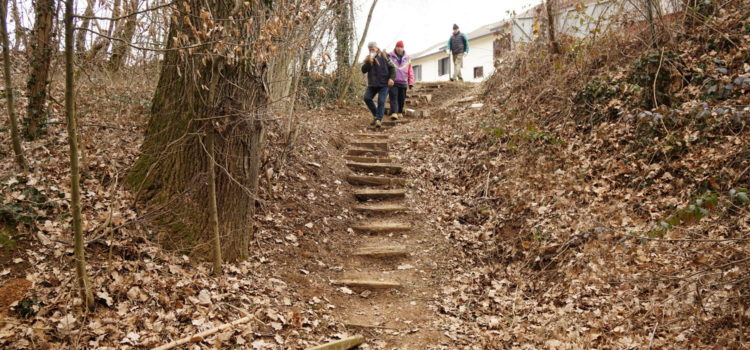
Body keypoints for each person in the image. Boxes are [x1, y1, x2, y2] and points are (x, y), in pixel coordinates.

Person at [361, 41, 396, 128]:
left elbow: (392, 68)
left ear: (376, 48)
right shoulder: (368, 58)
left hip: (384, 84)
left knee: (381, 101)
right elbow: (363, 70)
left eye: (372, 49)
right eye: (369, 49)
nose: (371, 51)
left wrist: (391, 78)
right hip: (372, 84)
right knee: (367, 98)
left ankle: (378, 120)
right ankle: (376, 115)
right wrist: (369, 62)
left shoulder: (384, 56)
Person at [387, 41, 414, 120]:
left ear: (403, 48)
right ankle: (394, 113)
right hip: (393, 81)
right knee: (393, 97)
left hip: (403, 82)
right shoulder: (389, 56)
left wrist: (411, 82)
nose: (399, 49)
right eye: (398, 47)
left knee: (401, 98)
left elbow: (410, 71)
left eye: (401, 47)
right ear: (395, 47)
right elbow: (386, 68)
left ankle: (399, 112)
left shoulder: (407, 58)